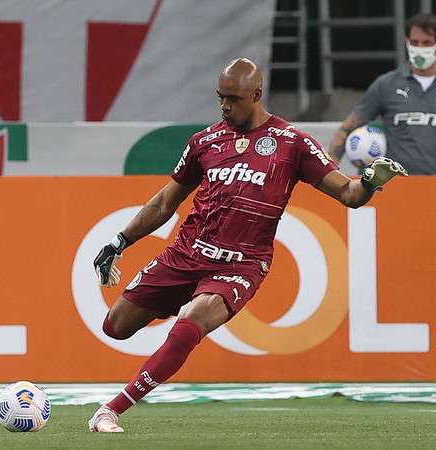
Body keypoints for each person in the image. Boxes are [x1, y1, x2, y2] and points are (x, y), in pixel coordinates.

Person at [88, 58, 408, 433]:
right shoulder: (204, 142)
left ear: (256, 95)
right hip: (186, 253)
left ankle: (110, 410)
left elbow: (349, 194)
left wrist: (369, 182)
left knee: (192, 323)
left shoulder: (292, 144)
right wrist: (119, 241)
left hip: (241, 264)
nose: (225, 106)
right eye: (220, 98)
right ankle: (177, 301)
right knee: (116, 327)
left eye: (233, 99)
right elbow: (164, 203)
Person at [328, 13, 436, 174]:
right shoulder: (386, 85)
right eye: (415, 42)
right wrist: (327, 172)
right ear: (406, 42)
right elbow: (346, 129)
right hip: (396, 186)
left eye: (427, 43)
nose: (420, 48)